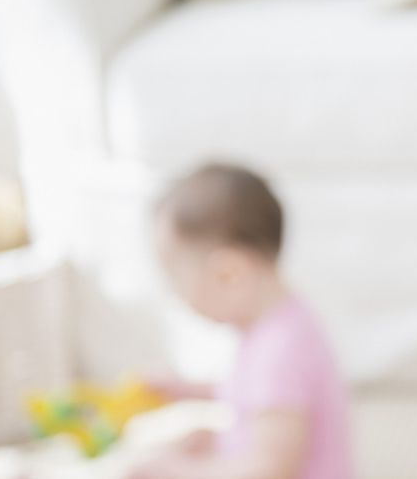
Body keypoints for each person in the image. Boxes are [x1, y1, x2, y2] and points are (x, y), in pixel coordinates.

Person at [130, 162, 353, 479]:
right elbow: (255, 395)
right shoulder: (282, 324)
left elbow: (270, 470)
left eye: (174, 278)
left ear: (228, 275)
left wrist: (180, 472)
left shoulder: (279, 352)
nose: (174, 295)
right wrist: (190, 391)